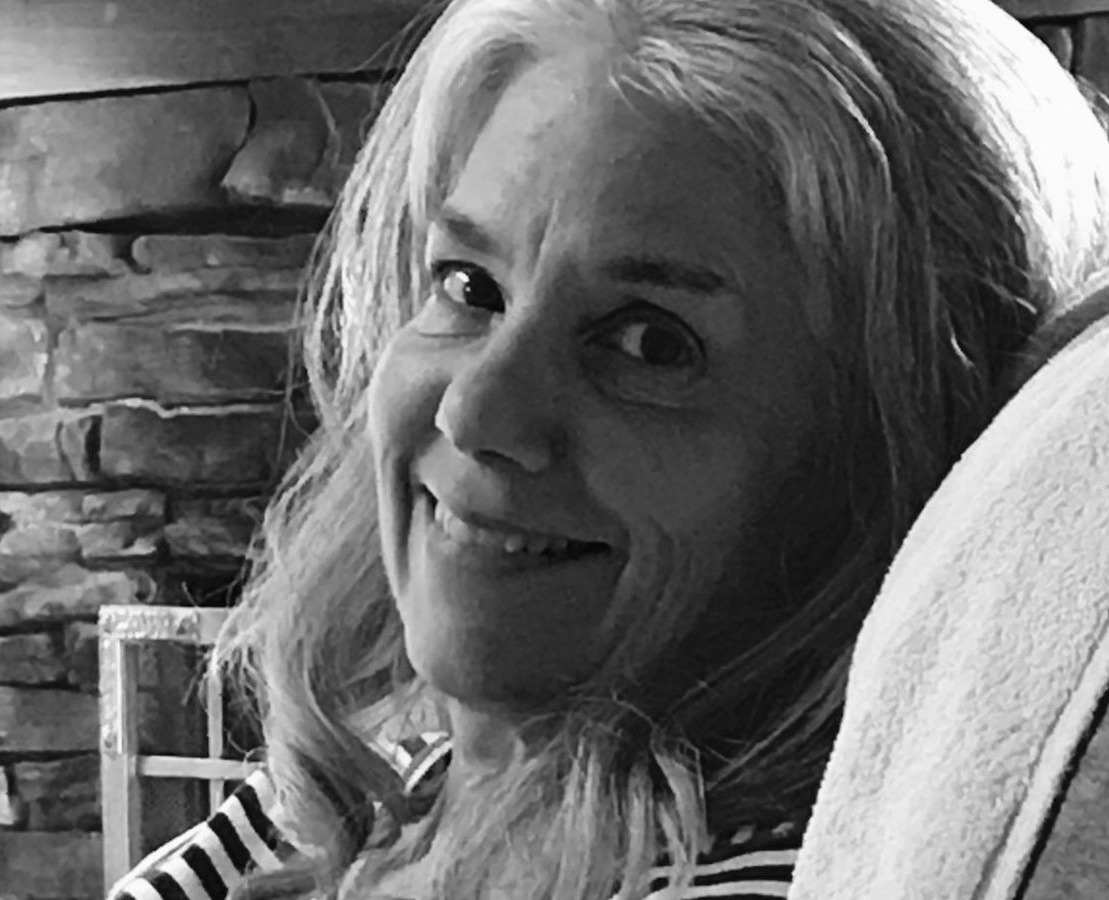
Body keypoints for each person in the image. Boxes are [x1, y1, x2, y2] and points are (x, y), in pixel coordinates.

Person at [106, 0, 1109, 898]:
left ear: (891, 457)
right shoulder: (371, 796)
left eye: (649, 344)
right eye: (469, 287)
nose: (476, 412)